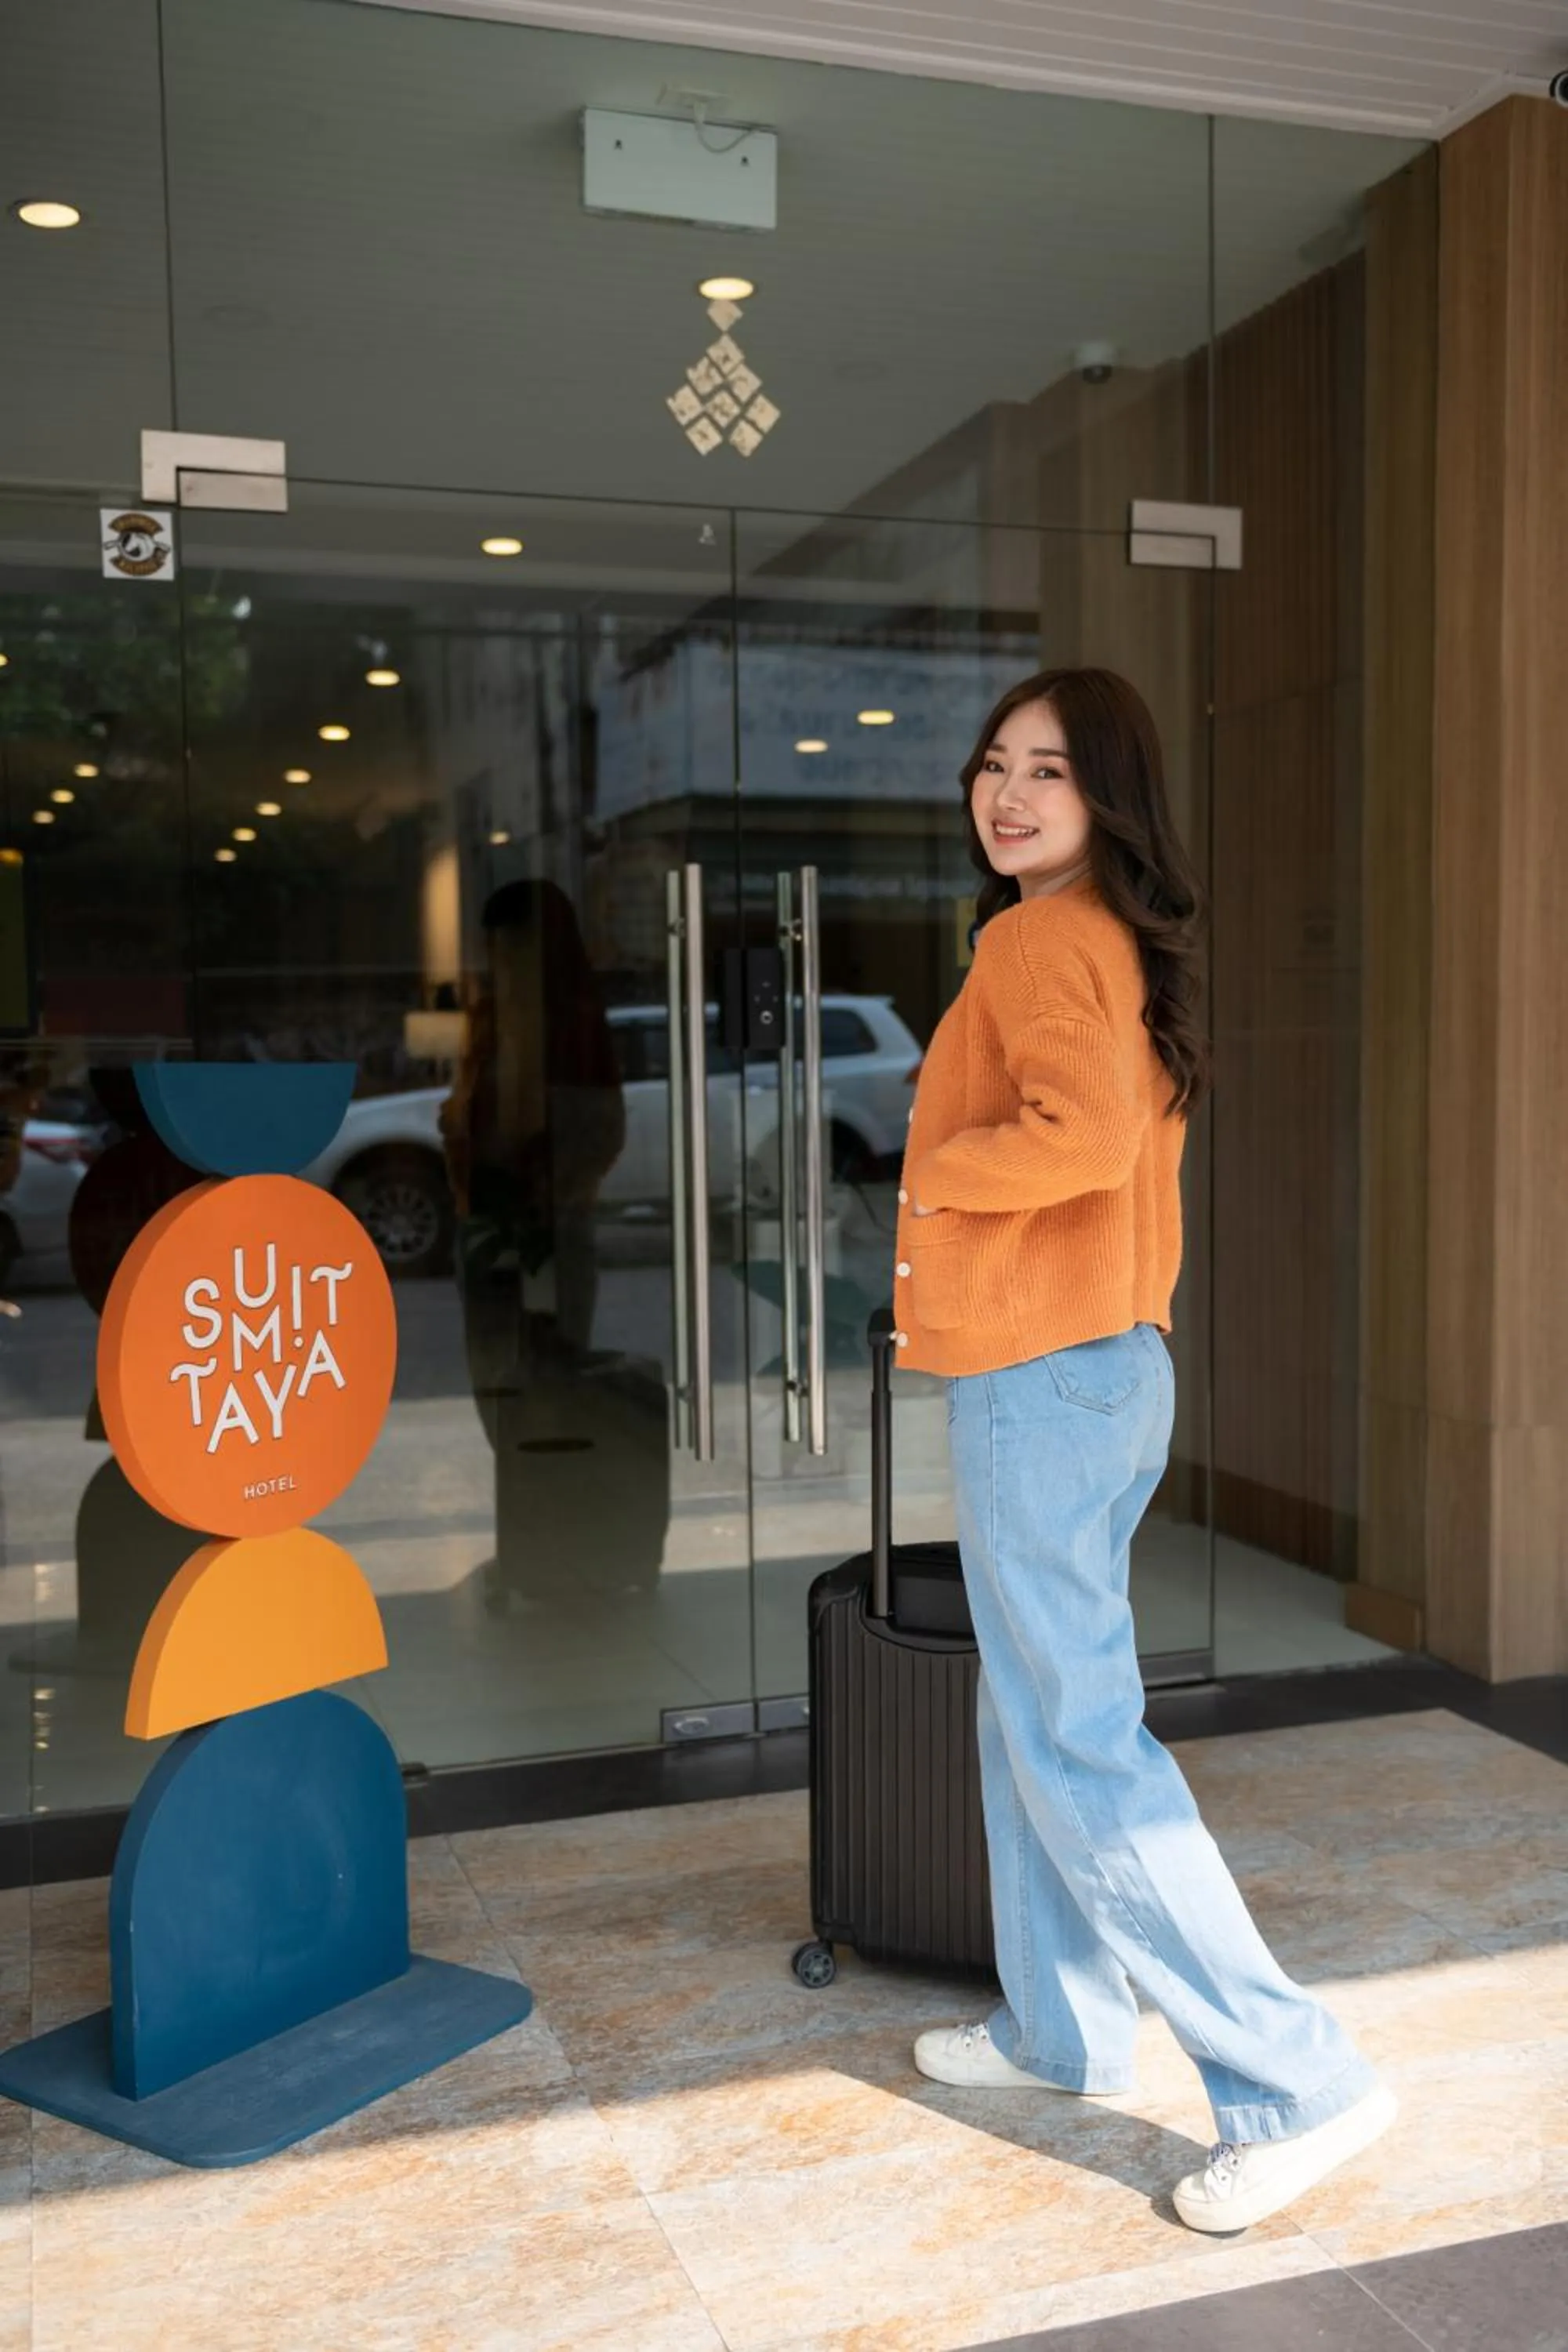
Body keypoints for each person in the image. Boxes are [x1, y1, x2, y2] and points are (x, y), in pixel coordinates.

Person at [896, 669, 1394, 2234]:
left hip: (1045, 1379)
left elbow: (1082, 1136)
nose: (1009, 794)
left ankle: (1293, 2081)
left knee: (1075, 1739)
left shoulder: (1041, 937)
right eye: (993, 766)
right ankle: (1060, 2028)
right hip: (1100, 1372)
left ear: (1109, 794)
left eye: (1048, 770)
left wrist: (926, 1179)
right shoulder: (1107, 936)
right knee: (1031, 1713)